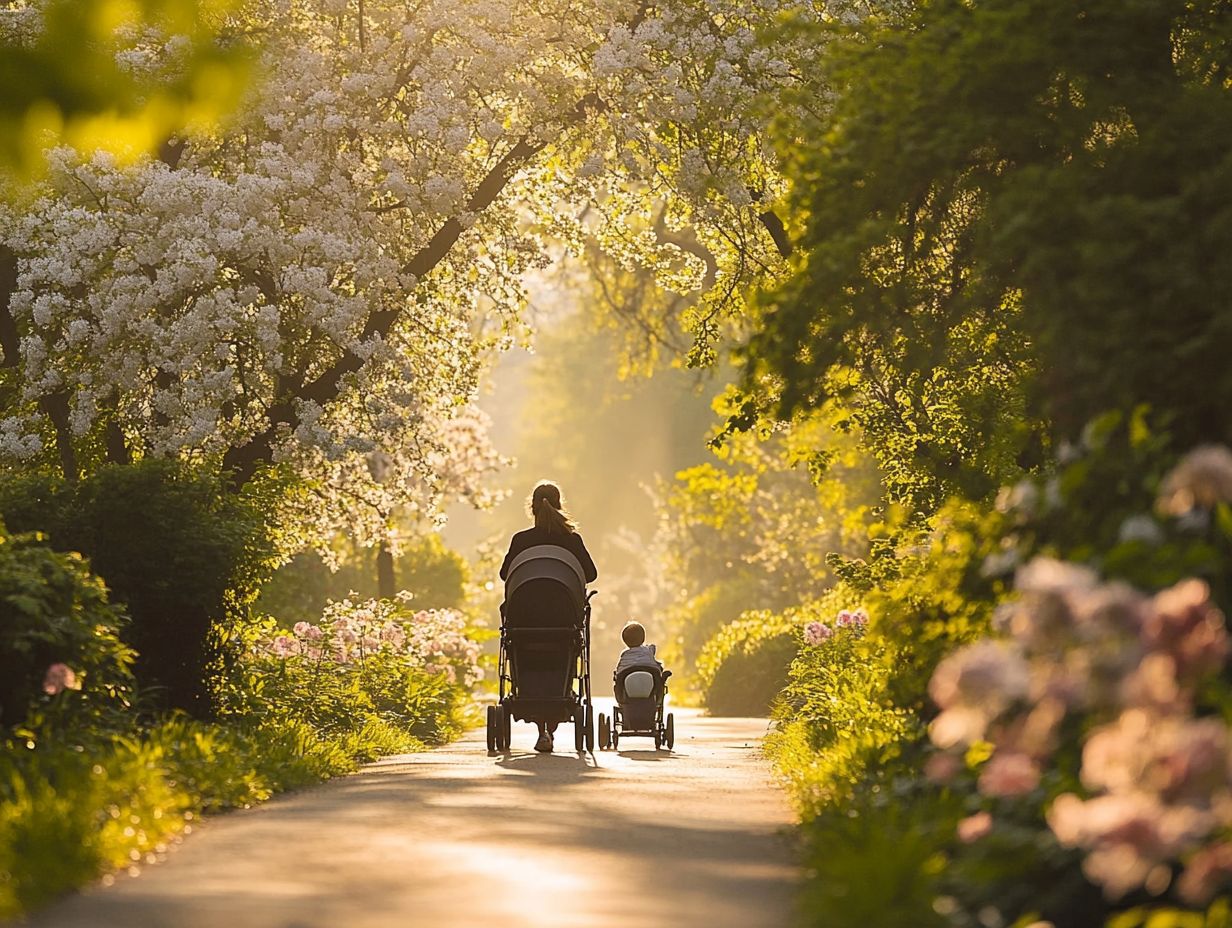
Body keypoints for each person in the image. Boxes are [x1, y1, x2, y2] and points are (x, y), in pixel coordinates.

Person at [500, 480, 597, 753]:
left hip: (525, 626)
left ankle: (540, 723)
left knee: (522, 656)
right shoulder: (572, 539)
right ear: (560, 505)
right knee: (566, 652)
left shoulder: (521, 540)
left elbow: (504, 574)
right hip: (562, 625)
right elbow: (590, 574)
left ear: (531, 508)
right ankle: (550, 724)